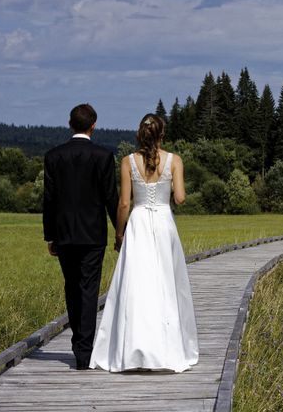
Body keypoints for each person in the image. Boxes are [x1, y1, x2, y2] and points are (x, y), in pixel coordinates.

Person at [90, 113, 199, 372]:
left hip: (138, 223)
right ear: (162, 134)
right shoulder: (175, 160)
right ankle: (167, 349)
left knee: (136, 283)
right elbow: (181, 198)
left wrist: (119, 234)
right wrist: (171, 187)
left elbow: (124, 203)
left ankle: (131, 349)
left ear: (140, 133)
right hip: (163, 222)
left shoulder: (128, 161)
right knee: (165, 283)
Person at [42, 104, 118, 370]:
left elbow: (49, 199)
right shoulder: (103, 156)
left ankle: (79, 344)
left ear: (69, 124)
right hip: (93, 234)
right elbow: (111, 198)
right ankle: (83, 351)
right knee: (88, 290)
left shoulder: (53, 156)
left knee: (71, 287)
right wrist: (120, 230)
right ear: (93, 125)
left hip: (64, 234)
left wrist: (49, 236)